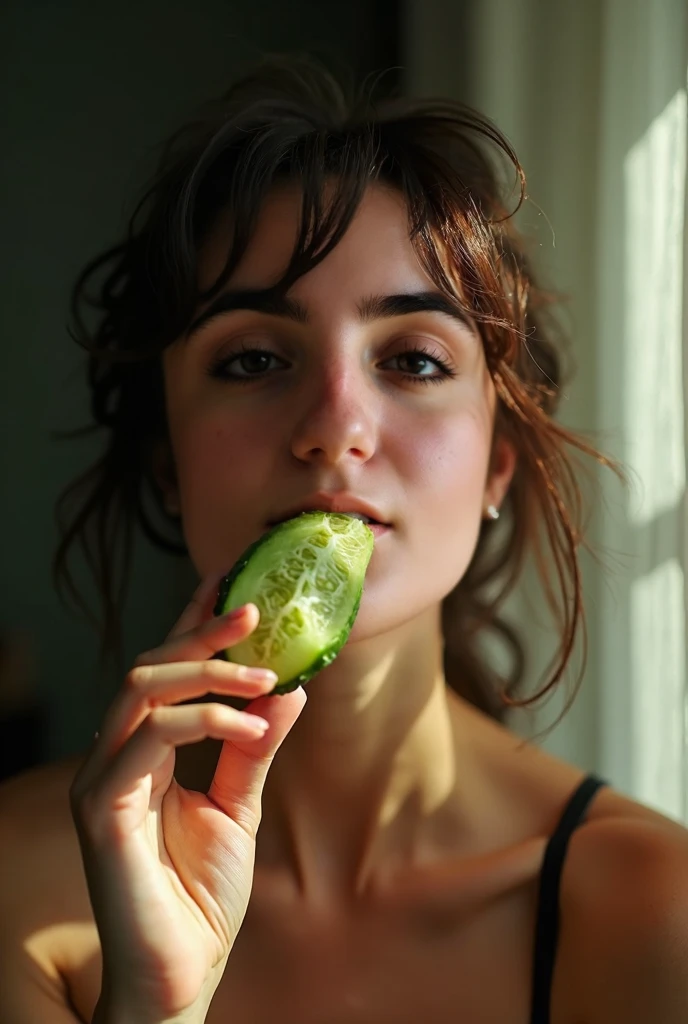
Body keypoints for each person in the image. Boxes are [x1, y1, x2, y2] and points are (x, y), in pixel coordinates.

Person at [1, 55, 687, 1024]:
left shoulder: (652, 910)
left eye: (412, 358)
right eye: (251, 359)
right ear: (167, 458)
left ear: (498, 460)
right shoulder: (17, 883)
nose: (334, 424)